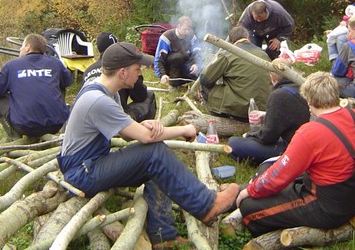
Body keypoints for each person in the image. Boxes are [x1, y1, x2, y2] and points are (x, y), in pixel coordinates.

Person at [58, 42, 240, 249]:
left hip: (91, 164)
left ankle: (164, 237)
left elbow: (125, 132)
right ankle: (207, 205)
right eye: (138, 69)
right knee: (153, 152)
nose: (141, 72)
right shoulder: (97, 99)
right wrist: (184, 129)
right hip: (81, 173)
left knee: (153, 163)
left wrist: (144, 124)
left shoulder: (110, 93)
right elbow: (145, 138)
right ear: (123, 72)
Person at [237, 72, 355, 236]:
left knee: (248, 207)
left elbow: (280, 174)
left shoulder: (311, 132)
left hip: (328, 207)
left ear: (309, 101)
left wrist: (250, 192)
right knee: (281, 178)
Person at [0, 33, 74, 139]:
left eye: (22, 46)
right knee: (60, 84)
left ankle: (14, 136)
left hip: (25, 126)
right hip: (56, 124)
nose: (20, 49)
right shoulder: (55, 63)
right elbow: (68, 80)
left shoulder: (12, 66)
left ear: (28, 47)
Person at [228, 58, 310, 163]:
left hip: (292, 148)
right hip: (303, 139)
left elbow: (268, 137)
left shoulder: (279, 95)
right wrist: (268, 115)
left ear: (271, 77)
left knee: (233, 143)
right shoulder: (301, 86)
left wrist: (251, 135)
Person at [195, 26, 271, 119]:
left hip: (243, 109)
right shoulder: (263, 53)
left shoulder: (228, 53)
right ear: (248, 38)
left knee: (205, 85)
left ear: (231, 41)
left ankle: (219, 120)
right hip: (265, 107)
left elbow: (205, 79)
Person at [84, 32, 156, 122]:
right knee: (149, 95)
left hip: (96, 118)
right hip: (113, 118)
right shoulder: (122, 69)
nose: (139, 72)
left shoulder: (88, 70)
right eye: (138, 69)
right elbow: (140, 96)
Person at [154, 16, 202, 87]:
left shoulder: (191, 36)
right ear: (178, 27)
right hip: (170, 67)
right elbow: (159, 59)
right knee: (177, 57)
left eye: (189, 29)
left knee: (201, 71)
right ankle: (173, 84)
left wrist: (196, 64)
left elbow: (197, 51)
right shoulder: (166, 37)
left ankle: (181, 81)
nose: (187, 32)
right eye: (185, 29)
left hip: (184, 65)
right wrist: (162, 75)